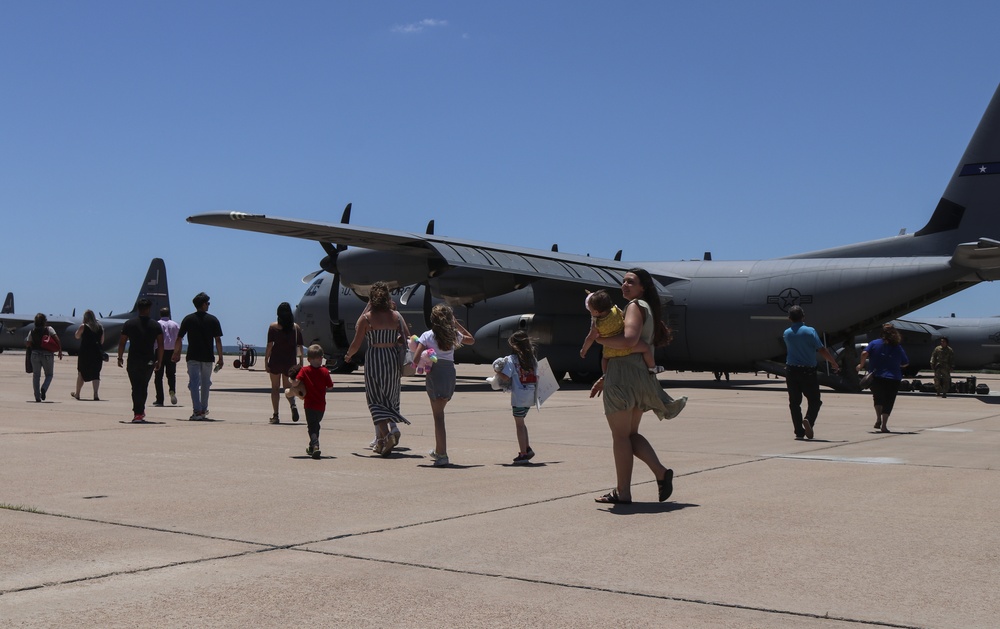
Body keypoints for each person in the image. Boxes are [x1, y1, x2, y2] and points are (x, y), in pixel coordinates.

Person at [589, 268, 687, 504]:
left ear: (643, 287)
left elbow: (630, 340)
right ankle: (661, 473)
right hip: (639, 376)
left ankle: (623, 492)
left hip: (623, 378)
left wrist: (598, 339)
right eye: (623, 281)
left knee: (620, 437)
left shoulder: (634, 306)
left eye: (630, 282)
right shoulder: (647, 308)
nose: (625, 285)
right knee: (630, 435)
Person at [344, 281, 411, 456]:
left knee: (375, 401)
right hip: (392, 359)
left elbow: (356, 344)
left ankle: (387, 436)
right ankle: (382, 440)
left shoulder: (366, 318)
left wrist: (348, 356)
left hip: (375, 359)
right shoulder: (397, 316)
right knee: (389, 399)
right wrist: (395, 341)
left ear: (372, 299)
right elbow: (407, 338)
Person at [413, 303, 475, 467]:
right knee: (440, 414)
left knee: (438, 417)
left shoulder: (427, 335)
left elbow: (416, 357)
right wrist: (456, 324)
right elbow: (471, 339)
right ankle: (439, 450)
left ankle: (442, 454)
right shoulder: (453, 335)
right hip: (449, 374)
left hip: (435, 374)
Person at [782, 305, 840, 440]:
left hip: (791, 370)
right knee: (815, 401)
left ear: (789, 318)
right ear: (803, 316)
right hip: (807, 370)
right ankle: (809, 420)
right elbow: (822, 349)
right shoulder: (810, 331)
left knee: (794, 402)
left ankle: (798, 431)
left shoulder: (787, 333)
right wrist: (833, 362)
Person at [580, 289, 660, 374]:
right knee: (646, 348)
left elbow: (590, 338)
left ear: (596, 312)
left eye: (590, 310)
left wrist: (584, 350)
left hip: (610, 350)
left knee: (604, 358)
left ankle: (605, 374)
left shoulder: (596, 324)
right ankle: (652, 367)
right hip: (625, 345)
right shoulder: (615, 310)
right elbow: (624, 316)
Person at [172, 292, 224, 421]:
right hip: (207, 356)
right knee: (206, 383)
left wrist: (176, 352)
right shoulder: (213, 319)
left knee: (194, 383)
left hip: (193, 356)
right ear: (203, 304)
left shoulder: (188, 319)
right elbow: (218, 340)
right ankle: (203, 408)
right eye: (208, 303)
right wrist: (220, 357)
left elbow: (179, 338)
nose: (209, 305)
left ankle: (197, 409)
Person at [117, 298, 164, 422]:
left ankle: (138, 412)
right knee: (143, 386)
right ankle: (139, 411)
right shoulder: (155, 325)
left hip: (133, 359)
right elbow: (160, 344)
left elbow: (122, 342)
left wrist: (120, 357)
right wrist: (159, 360)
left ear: (138, 309)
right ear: (148, 309)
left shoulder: (129, 324)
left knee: (135, 387)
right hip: (148, 360)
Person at [857, 323, 909, 433]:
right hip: (893, 377)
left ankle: (877, 419)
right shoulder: (897, 346)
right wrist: (896, 364)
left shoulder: (874, 343)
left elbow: (864, 353)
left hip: (876, 376)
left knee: (878, 398)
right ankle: (884, 425)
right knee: (889, 401)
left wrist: (861, 365)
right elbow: (905, 363)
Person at [497, 330, 538, 465]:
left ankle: (523, 454)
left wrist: (497, 371)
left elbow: (505, 376)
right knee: (522, 422)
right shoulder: (532, 359)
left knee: (519, 425)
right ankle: (526, 448)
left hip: (519, 397)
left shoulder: (511, 360)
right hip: (530, 395)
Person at [287, 344, 334, 459]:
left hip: (309, 405)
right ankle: (311, 447)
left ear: (308, 359)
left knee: (312, 427)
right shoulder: (325, 371)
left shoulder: (305, 370)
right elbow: (330, 386)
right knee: (316, 426)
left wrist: (293, 385)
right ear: (321, 358)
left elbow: (295, 382)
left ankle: (316, 446)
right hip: (321, 406)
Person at [265, 302, 304, 424]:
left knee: (275, 388)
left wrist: (266, 360)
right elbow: (299, 347)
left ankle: (275, 415)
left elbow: (270, 346)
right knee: (288, 387)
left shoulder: (273, 327)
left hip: (276, 360)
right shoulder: (296, 328)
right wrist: (301, 361)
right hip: (290, 362)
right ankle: (292, 405)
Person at [26, 313, 62, 402]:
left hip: (35, 354)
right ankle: (44, 388)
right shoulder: (49, 329)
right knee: (49, 375)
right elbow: (57, 339)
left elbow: (28, 343)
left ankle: (37, 397)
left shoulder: (32, 331)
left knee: (36, 376)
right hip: (47, 355)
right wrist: (60, 350)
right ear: (45, 321)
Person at [72, 310, 104, 401]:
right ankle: (95, 394)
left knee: (81, 373)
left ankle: (77, 394)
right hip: (97, 353)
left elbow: (77, 336)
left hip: (85, 353)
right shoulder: (100, 327)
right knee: (96, 374)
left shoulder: (83, 326)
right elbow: (102, 341)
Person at [153, 307, 180, 407]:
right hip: (172, 351)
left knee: (158, 376)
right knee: (171, 374)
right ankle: (172, 390)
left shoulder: (157, 324)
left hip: (159, 351)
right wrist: (178, 353)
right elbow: (179, 340)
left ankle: (160, 399)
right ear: (169, 314)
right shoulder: (175, 324)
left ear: (160, 314)